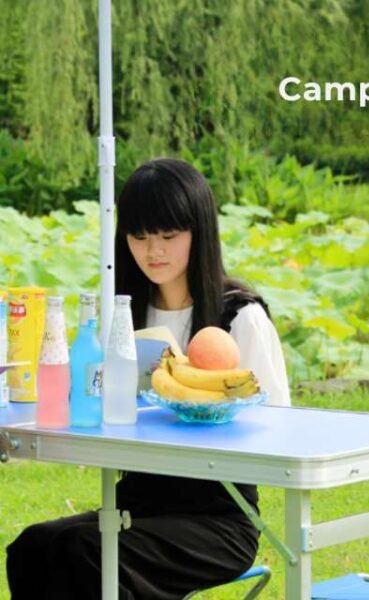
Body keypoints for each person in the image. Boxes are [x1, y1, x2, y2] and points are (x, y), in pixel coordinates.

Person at [6, 158, 291, 599]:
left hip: (218, 518)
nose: (152, 251)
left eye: (168, 235)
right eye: (139, 236)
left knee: (88, 553)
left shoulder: (239, 317)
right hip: (138, 502)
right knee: (33, 548)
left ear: (199, 233)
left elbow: (278, 429)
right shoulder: (125, 317)